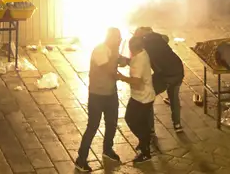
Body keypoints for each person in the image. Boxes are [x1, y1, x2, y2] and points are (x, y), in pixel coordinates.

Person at [75, 28, 124, 172]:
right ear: (110, 38)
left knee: (112, 123)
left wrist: (127, 60)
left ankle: (107, 149)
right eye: (118, 38)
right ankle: (81, 159)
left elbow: (119, 61)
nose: (120, 41)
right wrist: (116, 55)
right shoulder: (100, 51)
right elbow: (109, 69)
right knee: (93, 126)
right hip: (97, 95)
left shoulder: (112, 50)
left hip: (111, 94)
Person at [133, 27, 185, 134]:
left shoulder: (145, 48)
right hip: (178, 70)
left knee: (148, 95)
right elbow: (165, 37)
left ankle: (150, 128)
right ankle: (177, 124)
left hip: (166, 74)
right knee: (174, 96)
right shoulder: (158, 38)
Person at [117, 36, 154, 164]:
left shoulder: (139, 61)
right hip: (141, 96)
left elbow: (137, 81)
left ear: (133, 47)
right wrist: (127, 61)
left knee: (133, 120)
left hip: (142, 98)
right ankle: (144, 143)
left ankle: (145, 150)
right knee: (139, 122)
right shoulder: (143, 53)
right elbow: (134, 61)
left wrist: (122, 78)